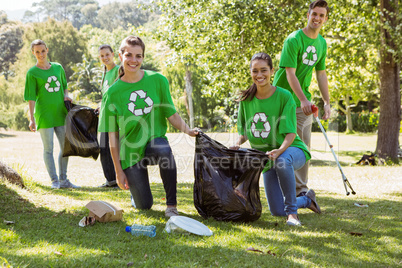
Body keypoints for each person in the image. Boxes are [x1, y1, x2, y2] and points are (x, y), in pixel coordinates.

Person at [98, 36, 199, 217]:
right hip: (130, 151)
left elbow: (172, 115)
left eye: (138, 56)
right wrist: (118, 171)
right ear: (120, 56)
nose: (134, 60)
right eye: (129, 55)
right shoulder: (112, 94)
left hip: (154, 141)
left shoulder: (158, 80)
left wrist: (189, 131)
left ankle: (171, 206)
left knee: (164, 150)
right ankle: (136, 193)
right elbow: (112, 137)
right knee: (144, 205)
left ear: (143, 57)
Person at [231, 52, 320, 226]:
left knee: (282, 162)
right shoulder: (246, 100)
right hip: (268, 158)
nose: (259, 75)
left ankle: (293, 215)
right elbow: (245, 132)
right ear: (250, 72)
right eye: (255, 71)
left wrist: (280, 151)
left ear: (272, 71)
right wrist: (237, 143)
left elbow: (290, 134)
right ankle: (308, 200)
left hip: (292, 150)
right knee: (277, 210)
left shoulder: (284, 96)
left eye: (264, 70)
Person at [272, 0, 331, 198]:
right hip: (282, 99)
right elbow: (290, 73)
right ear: (308, 15)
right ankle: (277, 188)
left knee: (303, 147)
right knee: (278, 143)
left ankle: (301, 191)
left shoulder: (321, 43)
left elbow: (321, 74)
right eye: (314, 14)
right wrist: (303, 100)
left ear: (326, 18)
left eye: (321, 15)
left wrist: (327, 102)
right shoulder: (294, 39)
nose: (317, 18)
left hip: (303, 101)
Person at [24, 39, 80, 189]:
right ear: (33, 53)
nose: (40, 54)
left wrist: (66, 96)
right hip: (44, 115)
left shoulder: (58, 67)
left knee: (65, 147)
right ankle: (54, 180)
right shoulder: (32, 73)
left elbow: (65, 86)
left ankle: (64, 180)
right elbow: (30, 97)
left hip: (60, 114)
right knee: (48, 148)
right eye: (37, 52)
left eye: (43, 51)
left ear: (47, 50)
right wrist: (32, 119)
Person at [97, 44, 119, 188]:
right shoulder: (105, 73)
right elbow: (106, 95)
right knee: (103, 149)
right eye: (102, 56)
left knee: (114, 148)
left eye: (107, 54)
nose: (105, 58)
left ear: (113, 54)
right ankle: (110, 180)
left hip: (115, 117)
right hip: (104, 116)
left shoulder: (119, 70)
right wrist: (100, 106)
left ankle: (118, 180)